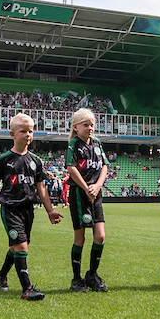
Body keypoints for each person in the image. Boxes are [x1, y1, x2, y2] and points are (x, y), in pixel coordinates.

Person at [0, 113, 61, 301]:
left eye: (31, 131)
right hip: (10, 209)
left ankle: (1, 275)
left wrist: (50, 210)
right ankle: (27, 288)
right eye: (23, 131)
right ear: (12, 134)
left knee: (16, 247)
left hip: (28, 210)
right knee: (21, 245)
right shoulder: (5, 160)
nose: (28, 134)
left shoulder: (36, 161)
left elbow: (41, 188)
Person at [65, 108, 109, 293]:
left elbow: (105, 166)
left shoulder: (97, 144)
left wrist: (97, 186)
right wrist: (86, 188)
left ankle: (92, 274)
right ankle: (76, 279)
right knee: (80, 238)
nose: (90, 128)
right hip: (79, 195)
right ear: (76, 127)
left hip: (95, 194)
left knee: (100, 236)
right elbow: (71, 168)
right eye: (86, 125)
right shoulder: (74, 144)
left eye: (92, 125)